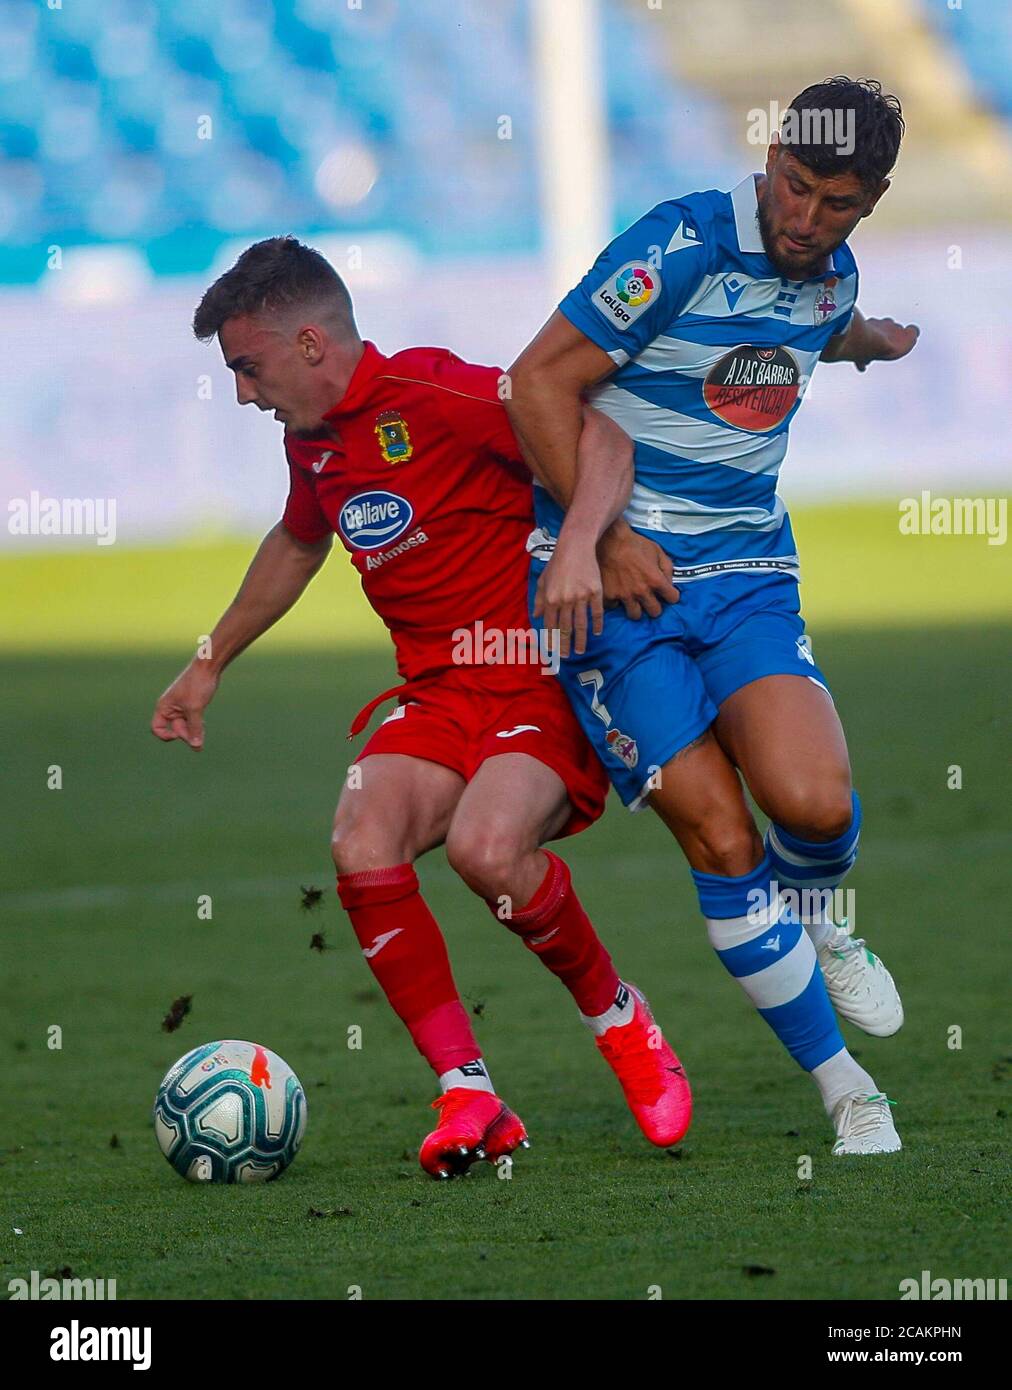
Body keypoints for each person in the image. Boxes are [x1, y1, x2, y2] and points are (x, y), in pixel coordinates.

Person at [151, 236, 692, 1179]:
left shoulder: (436, 394)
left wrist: (583, 548)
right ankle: (468, 1089)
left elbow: (599, 437)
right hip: (437, 692)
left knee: (489, 851)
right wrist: (209, 661)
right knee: (360, 839)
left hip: (534, 677)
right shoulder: (309, 440)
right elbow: (297, 539)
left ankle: (621, 1022)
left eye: (248, 366)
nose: (242, 391)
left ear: (312, 343)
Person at [505, 78, 918, 1155]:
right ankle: (843, 1088)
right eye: (792, 187)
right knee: (726, 837)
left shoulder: (829, 276)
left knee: (814, 804)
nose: (802, 220)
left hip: (743, 575)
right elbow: (535, 383)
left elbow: (822, 326)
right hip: (610, 587)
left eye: (835, 204)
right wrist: (605, 539)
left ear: (866, 204)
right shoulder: (680, 242)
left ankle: (827, 923)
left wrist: (871, 339)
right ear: (770, 158)